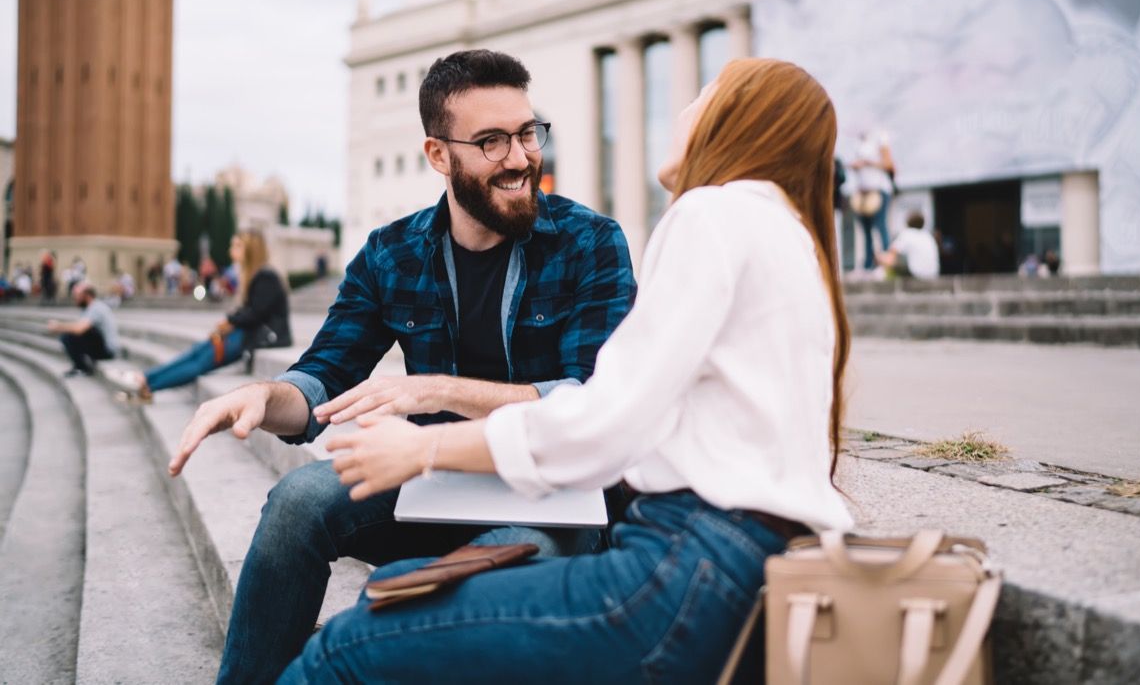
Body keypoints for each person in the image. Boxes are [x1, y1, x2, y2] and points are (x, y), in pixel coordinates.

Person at [277, 58, 855, 683]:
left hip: (688, 562)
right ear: (438, 156)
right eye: (493, 139)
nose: (682, 112)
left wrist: (425, 446)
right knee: (377, 580)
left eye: (701, 98)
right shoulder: (788, 233)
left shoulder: (708, 215)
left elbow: (605, 418)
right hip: (756, 563)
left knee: (346, 647)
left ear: (732, 119)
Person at [167, 49, 636, 684]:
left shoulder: (591, 243)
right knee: (296, 502)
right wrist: (261, 396)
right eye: (492, 141)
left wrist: (439, 390)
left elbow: (591, 399)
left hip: (549, 496)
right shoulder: (391, 253)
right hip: (432, 486)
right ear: (439, 155)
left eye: (527, 133)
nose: (522, 158)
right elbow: (321, 377)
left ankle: (370, 640)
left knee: (470, 575)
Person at [108, 231, 292, 401]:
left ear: (251, 250)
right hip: (248, 333)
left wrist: (229, 321)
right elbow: (251, 310)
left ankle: (147, 386)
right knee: (197, 352)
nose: (231, 250)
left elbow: (256, 313)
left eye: (236, 246)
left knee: (200, 362)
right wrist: (229, 321)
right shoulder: (255, 276)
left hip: (264, 337)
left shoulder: (266, 276)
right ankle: (144, 379)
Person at [47, 282, 121, 377]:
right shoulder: (90, 308)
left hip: (109, 351)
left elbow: (79, 329)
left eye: (77, 296)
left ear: (87, 296)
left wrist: (58, 326)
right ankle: (82, 365)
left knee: (69, 335)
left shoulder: (96, 308)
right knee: (71, 333)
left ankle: (81, 368)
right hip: (103, 348)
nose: (75, 299)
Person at [847, 129, 895, 270]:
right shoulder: (858, 141)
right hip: (863, 192)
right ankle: (869, 264)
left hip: (879, 190)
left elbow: (888, 164)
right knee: (866, 230)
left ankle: (886, 263)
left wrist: (867, 163)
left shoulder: (880, 137)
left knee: (880, 226)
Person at [878, 211, 940, 279]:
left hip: (917, 274)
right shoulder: (928, 235)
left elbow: (891, 255)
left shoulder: (907, 234)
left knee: (890, 259)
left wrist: (877, 257)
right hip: (933, 274)